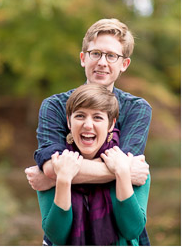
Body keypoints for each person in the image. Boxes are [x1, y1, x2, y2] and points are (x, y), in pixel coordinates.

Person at [25, 19, 152, 245]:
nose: (102, 62)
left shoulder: (137, 109)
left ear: (124, 64)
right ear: (83, 58)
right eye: (95, 53)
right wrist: (122, 171)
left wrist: (58, 176)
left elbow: (128, 168)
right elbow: (126, 169)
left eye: (111, 56)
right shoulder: (55, 106)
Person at [38, 84, 149, 245]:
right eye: (80, 116)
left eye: (97, 117)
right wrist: (62, 179)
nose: (88, 125)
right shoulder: (56, 164)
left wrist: (123, 173)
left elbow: (131, 230)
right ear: (69, 121)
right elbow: (57, 236)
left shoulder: (133, 166)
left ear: (111, 124)